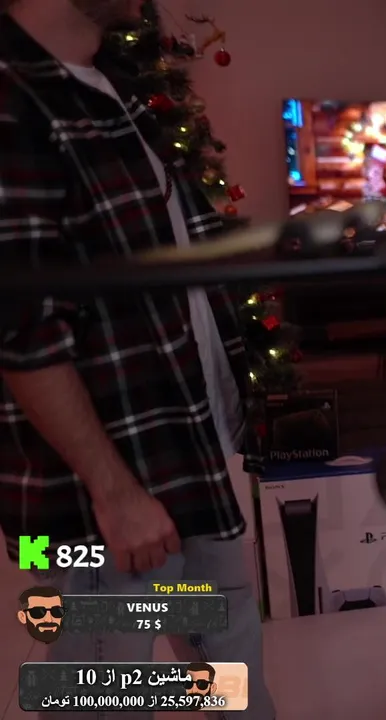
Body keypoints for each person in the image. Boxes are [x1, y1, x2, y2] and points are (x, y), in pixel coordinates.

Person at [0, 2, 274, 719]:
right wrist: (114, 492)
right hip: (93, 508)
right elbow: (21, 329)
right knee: (100, 690)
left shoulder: (110, 85)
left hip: (187, 460)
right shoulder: (14, 98)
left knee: (231, 672)